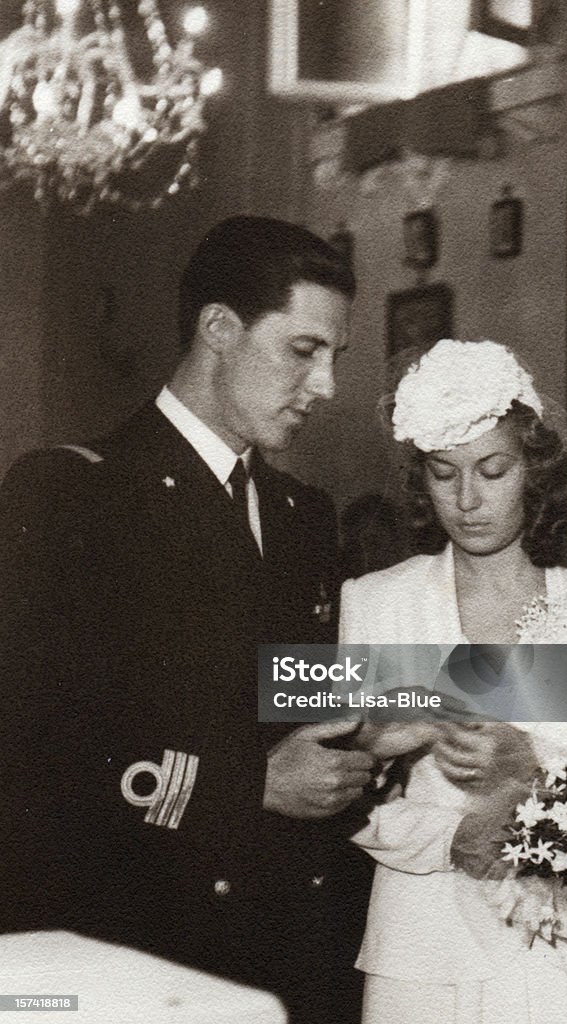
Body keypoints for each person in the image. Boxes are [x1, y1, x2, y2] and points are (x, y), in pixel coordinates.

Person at [0, 216, 376, 1023]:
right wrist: (250, 786)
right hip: (137, 947)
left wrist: (403, 720)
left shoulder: (302, 512)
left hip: (284, 952)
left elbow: (300, 695)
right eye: (304, 350)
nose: (326, 387)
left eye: (334, 358)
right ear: (218, 329)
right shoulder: (74, 494)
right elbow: (31, 746)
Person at [339, 339, 567, 1024]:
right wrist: (448, 838)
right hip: (423, 954)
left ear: (535, 469)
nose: (467, 500)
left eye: (493, 470)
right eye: (443, 473)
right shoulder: (377, 604)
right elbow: (338, 791)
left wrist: (528, 767)